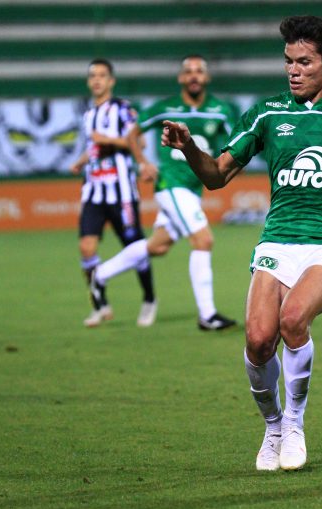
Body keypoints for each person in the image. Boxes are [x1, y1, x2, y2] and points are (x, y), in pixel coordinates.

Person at [161, 16, 322, 471]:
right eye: (288, 62)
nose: (293, 71)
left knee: (293, 319)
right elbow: (217, 175)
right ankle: (273, 427)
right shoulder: (267, 112)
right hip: (279, 237)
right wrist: (188, 149)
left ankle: (295, 426)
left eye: (304, 62)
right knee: (259, 339)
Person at [89, 55, 237, 331]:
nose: (193, 76)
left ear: (206, 78)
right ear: (181, 78)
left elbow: (237, 146)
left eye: (199, 71)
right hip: (170, 186)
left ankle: (101, 274)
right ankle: (208, 315)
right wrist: (143, 163)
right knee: (203, 240)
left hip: (193, 190)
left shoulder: (221, 110)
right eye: (188, 71)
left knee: (157, 245)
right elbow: (133, 134)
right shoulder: (165, 107)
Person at [69, 58, 155, 328]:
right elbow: (93, 146)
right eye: (92, 75)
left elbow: (138, 141)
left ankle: (149, 299)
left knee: (135, 248)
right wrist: (82, 160)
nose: (96, 80)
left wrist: (107, 140)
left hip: (122, 194)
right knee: (86, 247)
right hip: (93, 191)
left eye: (102, 75)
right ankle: (100, 304)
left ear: (111, 81)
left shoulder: (122, 109)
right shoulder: (88, 115)